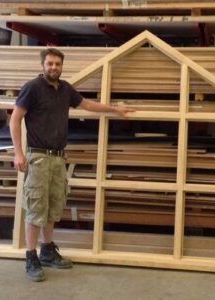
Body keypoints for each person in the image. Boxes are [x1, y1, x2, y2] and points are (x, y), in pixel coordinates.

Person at [10, 48, 134, 282]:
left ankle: (47, 250)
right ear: (43, 65)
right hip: (37, 157)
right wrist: (18, 153)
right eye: (50, 63)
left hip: (58, 158)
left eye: (57, 64)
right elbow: (15, 119)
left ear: (62, 66)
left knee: (54, 204)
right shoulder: (32, 88)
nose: (53, 67)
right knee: (36, 207)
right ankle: (31, 256)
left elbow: (87, 104)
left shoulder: (65, 89)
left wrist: (115, 109)